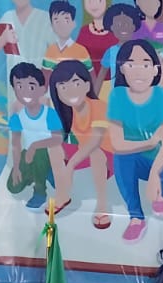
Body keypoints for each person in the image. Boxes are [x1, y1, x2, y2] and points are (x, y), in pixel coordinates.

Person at [104, 38, 163, 242]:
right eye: (131, 64)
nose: (139, 71)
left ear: (155, 70)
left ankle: (160, 191)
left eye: (145, 65)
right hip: (130, 159)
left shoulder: (159, 97)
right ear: (122, 69)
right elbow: (118, 144)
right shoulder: (117, 96)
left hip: (157, 159)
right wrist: (149, 142)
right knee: (122, 158)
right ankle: (136, 217)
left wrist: (155, 175)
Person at [49, 57, 112, 225]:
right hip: (84, 152)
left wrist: (70, 165)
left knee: (96, 153)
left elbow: (95, 141)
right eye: (63, 86)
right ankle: (62, 195)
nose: (70, 91)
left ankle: (102, 205)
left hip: (111, 157)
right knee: (53, 147)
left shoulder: (98, 106)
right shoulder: (68, 113)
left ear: (87, 85)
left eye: (76, 83)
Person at [6, 61, 70, 211]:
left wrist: (35, 146)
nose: (25, 92)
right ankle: (41, 173)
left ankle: (40, 191)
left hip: (50, 153)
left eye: (31, 87)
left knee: (39, 154)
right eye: (19, 87)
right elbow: (16, 144)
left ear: (41, 89)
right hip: (28, 153)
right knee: (13, 187)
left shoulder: (49, 113)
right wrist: (17, 167)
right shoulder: (17, 116)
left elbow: (58, 138)